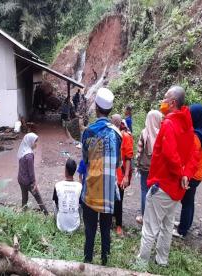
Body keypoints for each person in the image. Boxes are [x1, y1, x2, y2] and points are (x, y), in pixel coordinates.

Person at [137, 85, 200, 266]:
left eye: (165, 98)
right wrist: (186, 174)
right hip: (177, 188)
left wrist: (181, 173)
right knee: (167, 225)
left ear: (172, 102)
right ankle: (162, 259)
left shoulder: (169, 123)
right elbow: (194, 154)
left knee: (150, 227)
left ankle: (141, 264)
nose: (162, 102)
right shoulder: (188, 124)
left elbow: (170, 154)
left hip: (163, 184)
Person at [81, 87, 121, 265]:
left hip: (91, 190)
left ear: (96, 108)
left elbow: (85, 159)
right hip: (108, 193)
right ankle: (105, 262)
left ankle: (87, 262)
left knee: (90, 231)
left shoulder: (88, 132)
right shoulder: (117, 134)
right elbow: (118, 163)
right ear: (110, 110)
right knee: (106, 230)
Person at [173, 103, 202, 238]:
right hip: (198, 173)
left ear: (196, 117)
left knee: (186, 202)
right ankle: (186, 224)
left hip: (193, 174)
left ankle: (182, 230)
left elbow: (190, 158)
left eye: (191, 115)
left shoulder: (196, 136)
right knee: (189, 201)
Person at [135, 110, 163, 224]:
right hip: (157, 168)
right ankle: (155, 217)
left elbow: (139, 151)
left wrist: (137, 165)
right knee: (156, 191)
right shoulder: (162, 133)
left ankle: (144, 216)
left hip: (145, 167)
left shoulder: (144, 132)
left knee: (144, 190)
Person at [111, 115, 133, 236]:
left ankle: (119, 225)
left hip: (120, 175)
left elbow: (128, 158)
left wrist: (125, 176)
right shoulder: (109, 135)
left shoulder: (126, 137)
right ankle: (110, 219)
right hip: (110, 174)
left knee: (119, 200)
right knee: (110, 199)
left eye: (115, 123)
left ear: (119, 124)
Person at [17, 133, 49, 215]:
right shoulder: (29, 155)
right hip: (28, 182)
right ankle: (46, 214)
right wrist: (34, 183)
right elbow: (31, 172)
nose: (36, 144)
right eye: (35, 142)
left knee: (24, 198)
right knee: (38, 198)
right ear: (30, 142)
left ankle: (24, 213)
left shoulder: (22, 151)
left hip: (21, 179)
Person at [52, 158, 83, 233]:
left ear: (65, 170)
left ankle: (60, 219)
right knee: (80, 204)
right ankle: (75, 220)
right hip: (75, 226)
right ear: (74, 171)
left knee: (54, 203)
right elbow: (80, 203)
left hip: (60, 226)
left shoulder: (58, 185)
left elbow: (56, 203)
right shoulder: (79, 186)